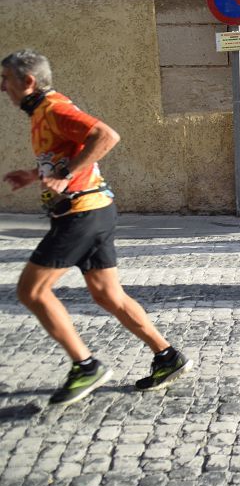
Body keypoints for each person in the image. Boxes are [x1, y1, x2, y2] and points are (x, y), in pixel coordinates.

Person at [1, 50, 191, 406]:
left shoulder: (54, 108)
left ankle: (85, 366)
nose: (2, 88)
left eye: (5, 80)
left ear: (27, 81)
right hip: (96, 210)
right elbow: (64, 155)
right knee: (107, 295)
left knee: (32, 291)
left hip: (81, 214)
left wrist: (64, 175)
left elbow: (106, 136)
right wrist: (37, 175)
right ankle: (168, 357)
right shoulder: (42, 112)